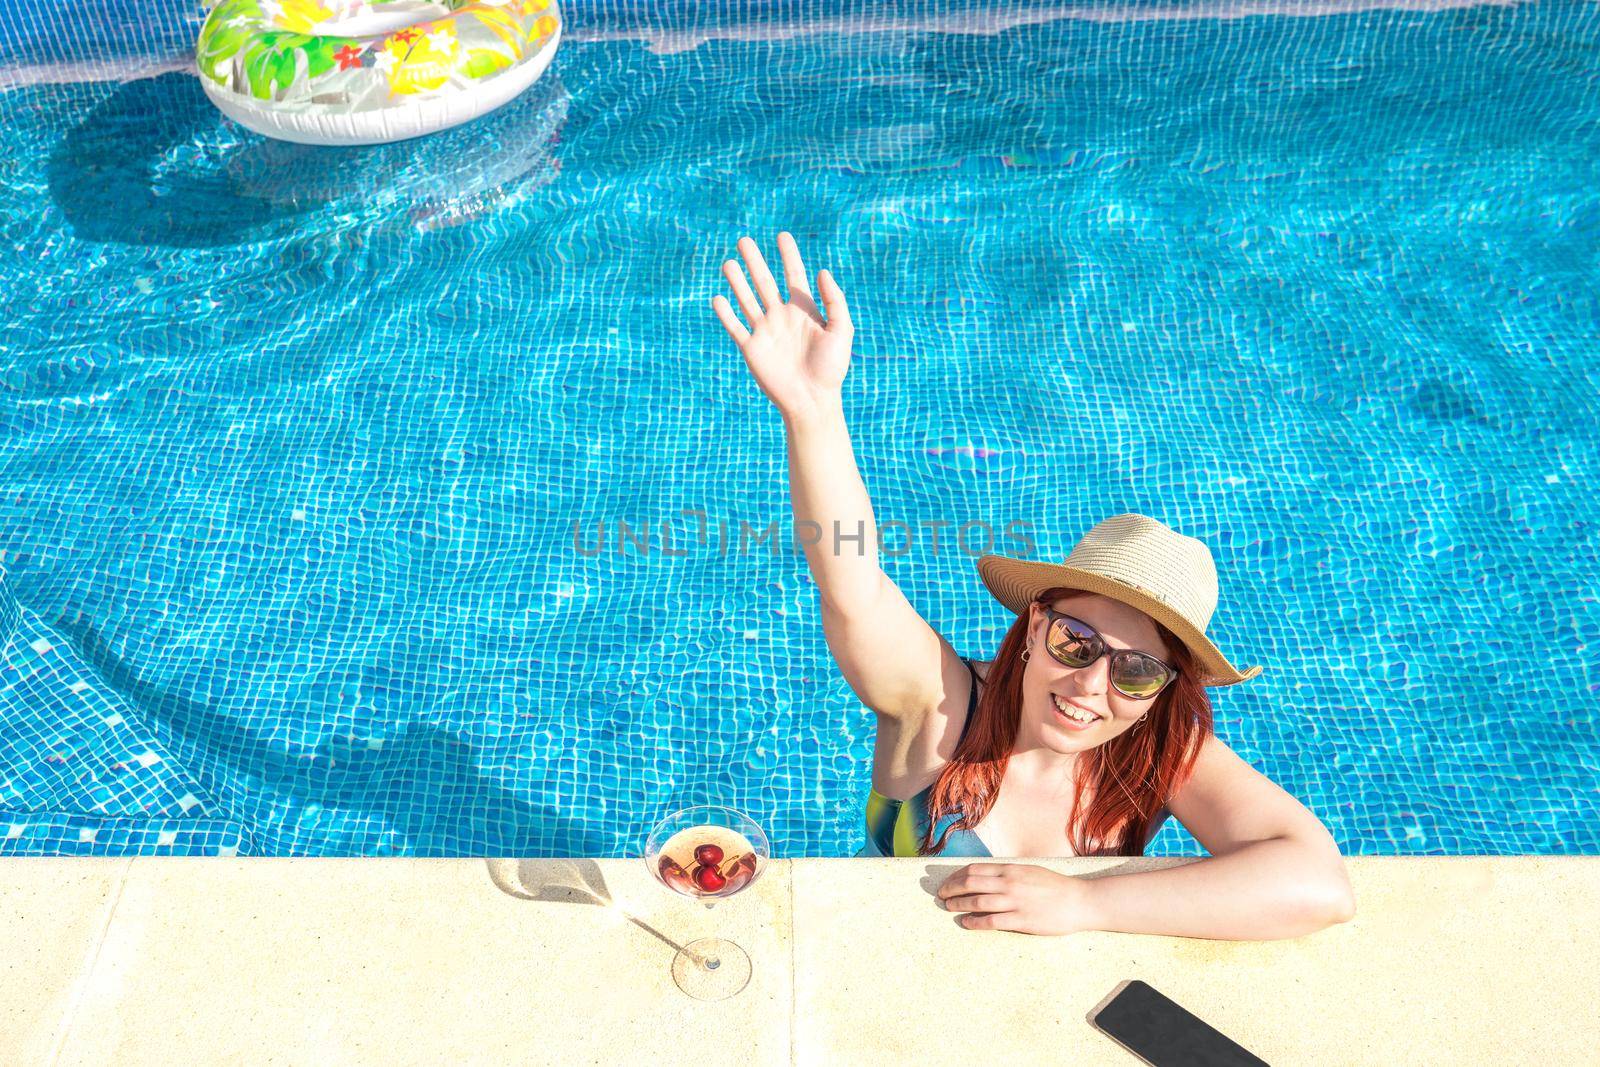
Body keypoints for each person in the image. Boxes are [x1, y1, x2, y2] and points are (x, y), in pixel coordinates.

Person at [711, 233, 1356, 940]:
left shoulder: (1158, 756)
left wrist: (1085, 903)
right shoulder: (941, 711)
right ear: (1036, 626)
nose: (1090, 685)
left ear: (1165, 689)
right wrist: (813, 411)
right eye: (1076, 642)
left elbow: (1318, 881)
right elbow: (852, 584)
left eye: (1136, 670)